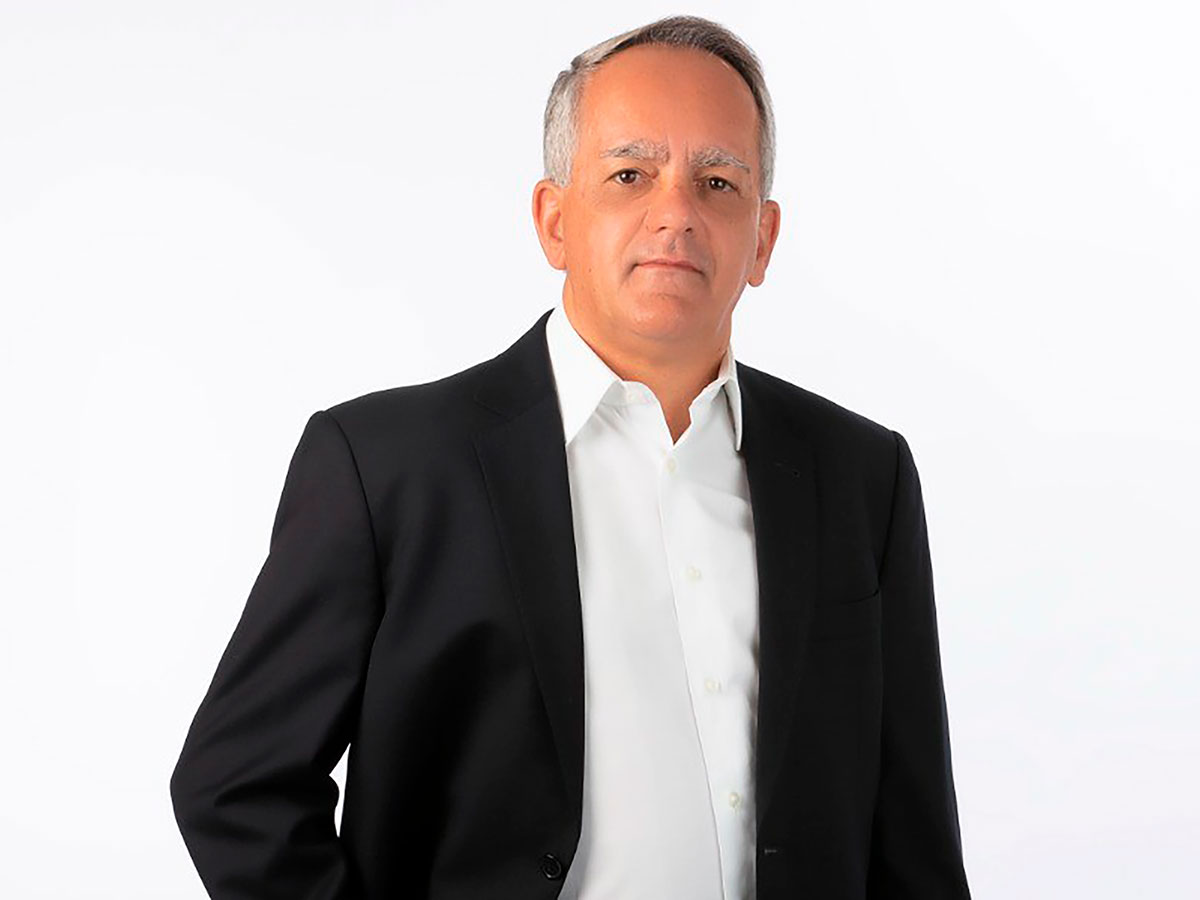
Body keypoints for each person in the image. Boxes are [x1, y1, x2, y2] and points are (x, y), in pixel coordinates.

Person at [169, 14, 972, 900]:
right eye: (630, 175)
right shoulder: (387, 469)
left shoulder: (861, 477)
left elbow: (915, 845)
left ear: (763, 239)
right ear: (554, 221)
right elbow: (235, 787)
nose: (676, 213)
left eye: (718, 182)